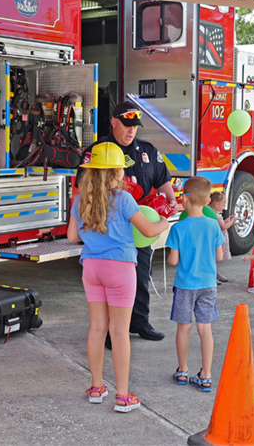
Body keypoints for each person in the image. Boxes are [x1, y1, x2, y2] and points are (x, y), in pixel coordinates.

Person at [67, 142, 168, 413]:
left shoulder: (80, 199)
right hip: (120, 269)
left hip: (91, 268)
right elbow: (147, 231)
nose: (125, 173)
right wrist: (164, 223)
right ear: (114, 172)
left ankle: (97, 387)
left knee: (97, 328)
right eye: (122, 169)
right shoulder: (124, 199)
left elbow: (72, 237)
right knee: (120, 331)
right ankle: (123, 396)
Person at [81, 100, 177, 343]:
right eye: (126, 125)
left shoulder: (148, 151)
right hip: (109, 229)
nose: (131, 130)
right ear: (113, 121)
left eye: (135, 126)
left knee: (141, 276)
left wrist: (171, 202)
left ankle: (140, 322)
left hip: (138, 227)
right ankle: (113, 332)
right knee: (110, 284)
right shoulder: (97, 151)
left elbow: (163, 183)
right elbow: (83, 189)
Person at [166, 176, 225, 393]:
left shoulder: (178, 229)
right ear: (209, 200)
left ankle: (183, 370)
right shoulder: (213, 226)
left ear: (184, 199)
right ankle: (206, 375)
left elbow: (173, 261)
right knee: (204, 327)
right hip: (208, 285)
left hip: (185, 285)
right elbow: (219, 256)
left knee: (184, 327)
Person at [207, 192, 236, 283]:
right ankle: (213, 276)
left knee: (213, 257)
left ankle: (216, 274)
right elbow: (223, 227)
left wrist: (227, 220)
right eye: (223, 205)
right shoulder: (216, 215)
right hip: (217, 239)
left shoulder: (209, 213)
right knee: (214, 257)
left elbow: (221, 224)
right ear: (216, 204)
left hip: (211, 237)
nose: (224, 207)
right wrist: (232, 222)